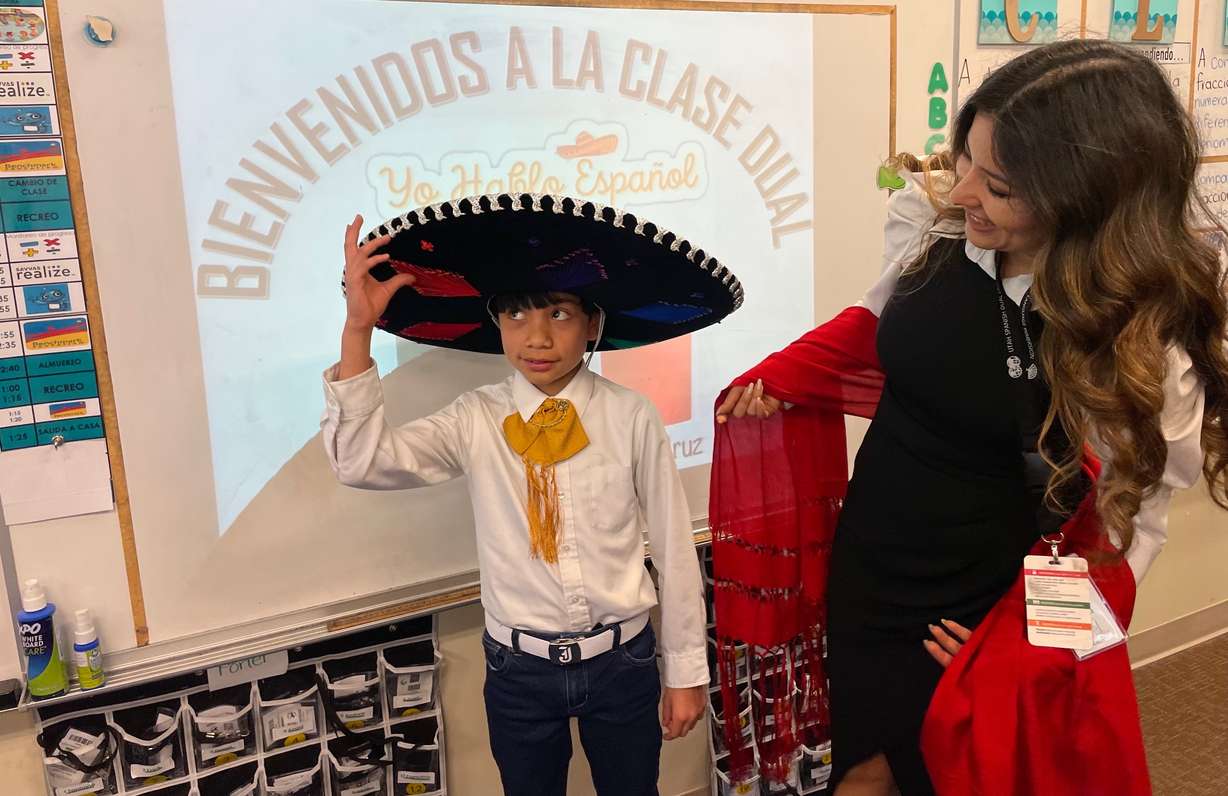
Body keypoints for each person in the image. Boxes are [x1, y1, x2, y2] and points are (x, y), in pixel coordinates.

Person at [712, 39, 1228, 795]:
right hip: (870, 579)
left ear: (1087, 194)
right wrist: (785, 376)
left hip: (974, 615)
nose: (959, 194)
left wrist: (1030, 649)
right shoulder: (946, 233)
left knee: (938, 773)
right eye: (966, 162)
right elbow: (878, 325)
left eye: (1000, 184)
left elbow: (1129, 524)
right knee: (858, 768)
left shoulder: (1139, 340)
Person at [320, 193, 743, 795]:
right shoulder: (476, 418)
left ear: (594, 323)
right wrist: (357, 329)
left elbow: (674, 550)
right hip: (518, 671)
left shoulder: (630, 417)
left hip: (622, 663)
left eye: (559, 314)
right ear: (496, 323)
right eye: (517, 314)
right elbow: (361, 461)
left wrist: (684, 671)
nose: (536, 336)